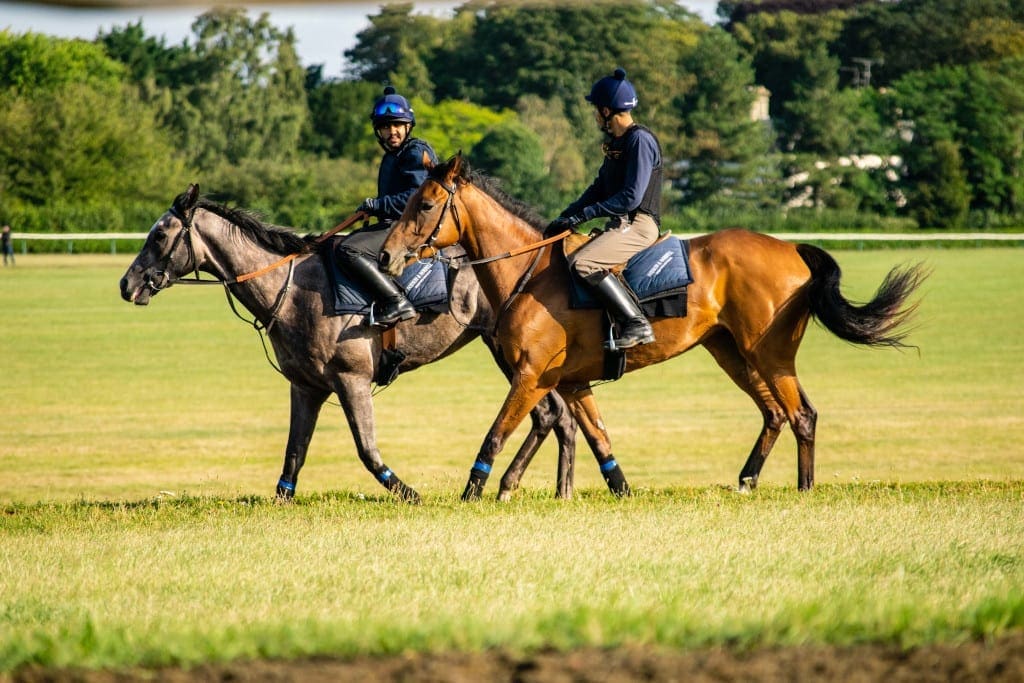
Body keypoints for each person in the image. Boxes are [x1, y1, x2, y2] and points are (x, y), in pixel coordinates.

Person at [547, 68, 662, 349]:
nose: (595, 116)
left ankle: (637, 324)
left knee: (584, 263)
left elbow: (631, 197)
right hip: (621, 224)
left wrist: (585, 215)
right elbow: (598, 188)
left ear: (607, 110)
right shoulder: (617, 143)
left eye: (596, 110)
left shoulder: (639, 141)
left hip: (639, 225)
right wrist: (566, 216)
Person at [337, 86, 439, 326]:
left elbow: (415, 198)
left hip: (411, 228)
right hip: (394, 225)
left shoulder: (415, 152)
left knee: (349, 250)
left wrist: (377, 205)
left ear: (408, 127)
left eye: (397, 125)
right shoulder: (390, 158)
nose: (391, 131)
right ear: (378, 131)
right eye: (385, 127)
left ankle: (396, 302)